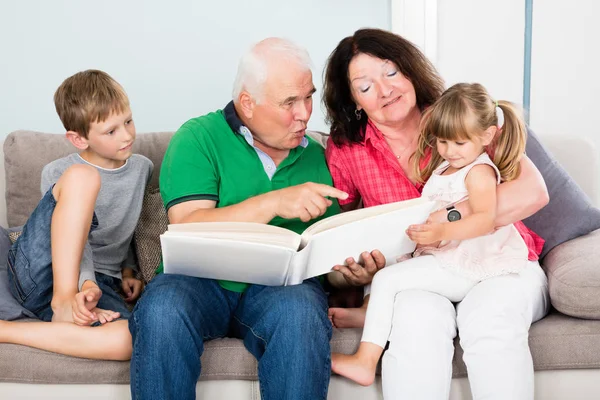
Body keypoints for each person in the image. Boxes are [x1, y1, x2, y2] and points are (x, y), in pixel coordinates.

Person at [128, 37, 384, 400]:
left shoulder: (319, 154)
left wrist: (351, 271)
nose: (304, 113)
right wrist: (275, 202)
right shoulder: (199, 137)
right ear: (247, 103)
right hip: (199, 284)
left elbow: (325, 257)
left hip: (281, 289)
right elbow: (187, 222)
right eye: (289, 102)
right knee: (163, 309)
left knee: (301, 312)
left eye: (307, 97)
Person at [323, 28, 550, 399]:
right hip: (427, 271)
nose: (385, 90)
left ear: (410, 71)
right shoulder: (346, 149)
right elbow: (345, 228)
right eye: (365, 87)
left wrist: (450, 220)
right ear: (354, 101)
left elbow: (533, 191)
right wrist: (357, 269)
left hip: (501, 261)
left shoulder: (457, 114)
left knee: (489, 317)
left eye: (391, 71)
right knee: (414, 319)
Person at [0, 70, 152, 360]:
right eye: (111, 131)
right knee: (84, 177)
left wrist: (128, 270)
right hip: (41, 272)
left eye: (129, 121)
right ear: (79, 139)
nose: (127, 135)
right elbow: (70, 238)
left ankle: (6, 331)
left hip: (100, 283)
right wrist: (81, 284)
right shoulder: (59, 172)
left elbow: (134, 225)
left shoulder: (142, 169)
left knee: (130, 339)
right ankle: (63, 302)